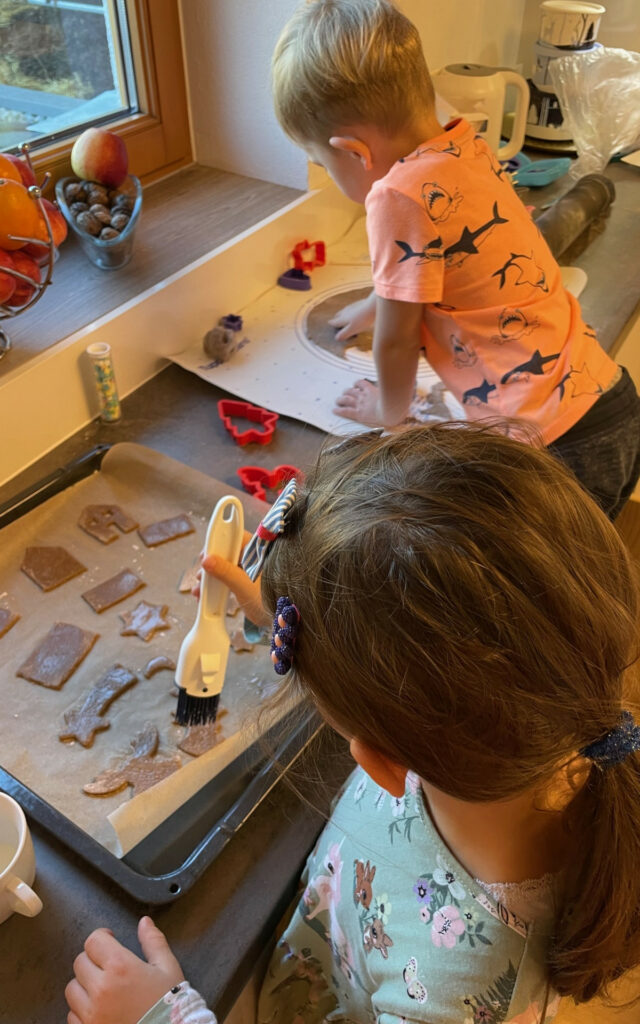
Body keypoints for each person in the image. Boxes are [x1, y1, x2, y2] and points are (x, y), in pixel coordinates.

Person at [65, 422, 640, 1024]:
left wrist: (164, 1018)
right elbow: (427, 640)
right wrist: (277, 608)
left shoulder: (455, 1001)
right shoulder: (549, 728)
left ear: (382, 763)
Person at [270, 0, 640, 520]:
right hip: (608, 404)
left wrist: (389, 414)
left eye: (321, 162)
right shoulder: (467, 145)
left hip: (553, 448)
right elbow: (433, 259)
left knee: (539, 594)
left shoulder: (394, 195)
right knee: (590, 573)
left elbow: (399, 342)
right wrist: (376, 303)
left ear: (354, 152)